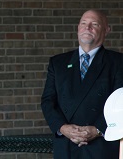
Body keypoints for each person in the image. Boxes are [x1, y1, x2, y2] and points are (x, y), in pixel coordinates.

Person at [41, 9, 123, 159]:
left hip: (101, 147)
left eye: (95, 24)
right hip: (66, 146)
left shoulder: (118, 62)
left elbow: (121, 102)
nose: (88, 27)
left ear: (106, 30)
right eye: (84, 23)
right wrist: (62, 128)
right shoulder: (57, 63)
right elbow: (48, 102)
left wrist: (98, 129)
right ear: (78, 28)